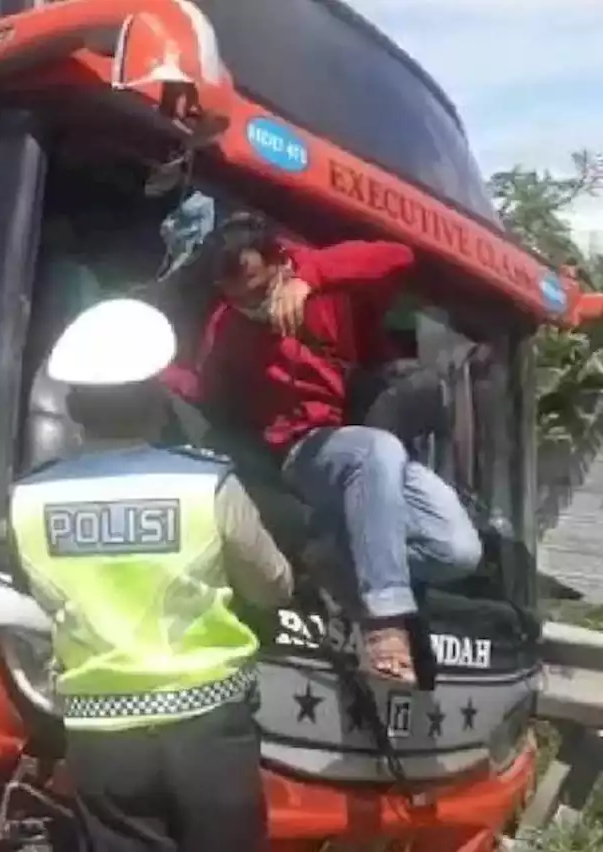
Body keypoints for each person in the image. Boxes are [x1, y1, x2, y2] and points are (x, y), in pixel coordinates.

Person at [10, 299, 293, 852]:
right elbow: (273, 584)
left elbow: (42, 594)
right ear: (156, 402)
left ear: (75, 409)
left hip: (101, 740)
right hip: (207, 728)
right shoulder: (203, 484)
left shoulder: (28, 499)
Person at [159, 213, 482, 687]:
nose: (250, 303)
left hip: (371, 450)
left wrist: (311, 278)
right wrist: (154, 370)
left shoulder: (325, 284)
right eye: (236, 295)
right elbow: (206, 391)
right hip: (303, 453)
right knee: (374, 450)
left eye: (257, 287)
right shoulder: (227, 328)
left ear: (279, 264)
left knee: (458, 551)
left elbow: (399, 257)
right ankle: (386, 624)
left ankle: (344, 552)